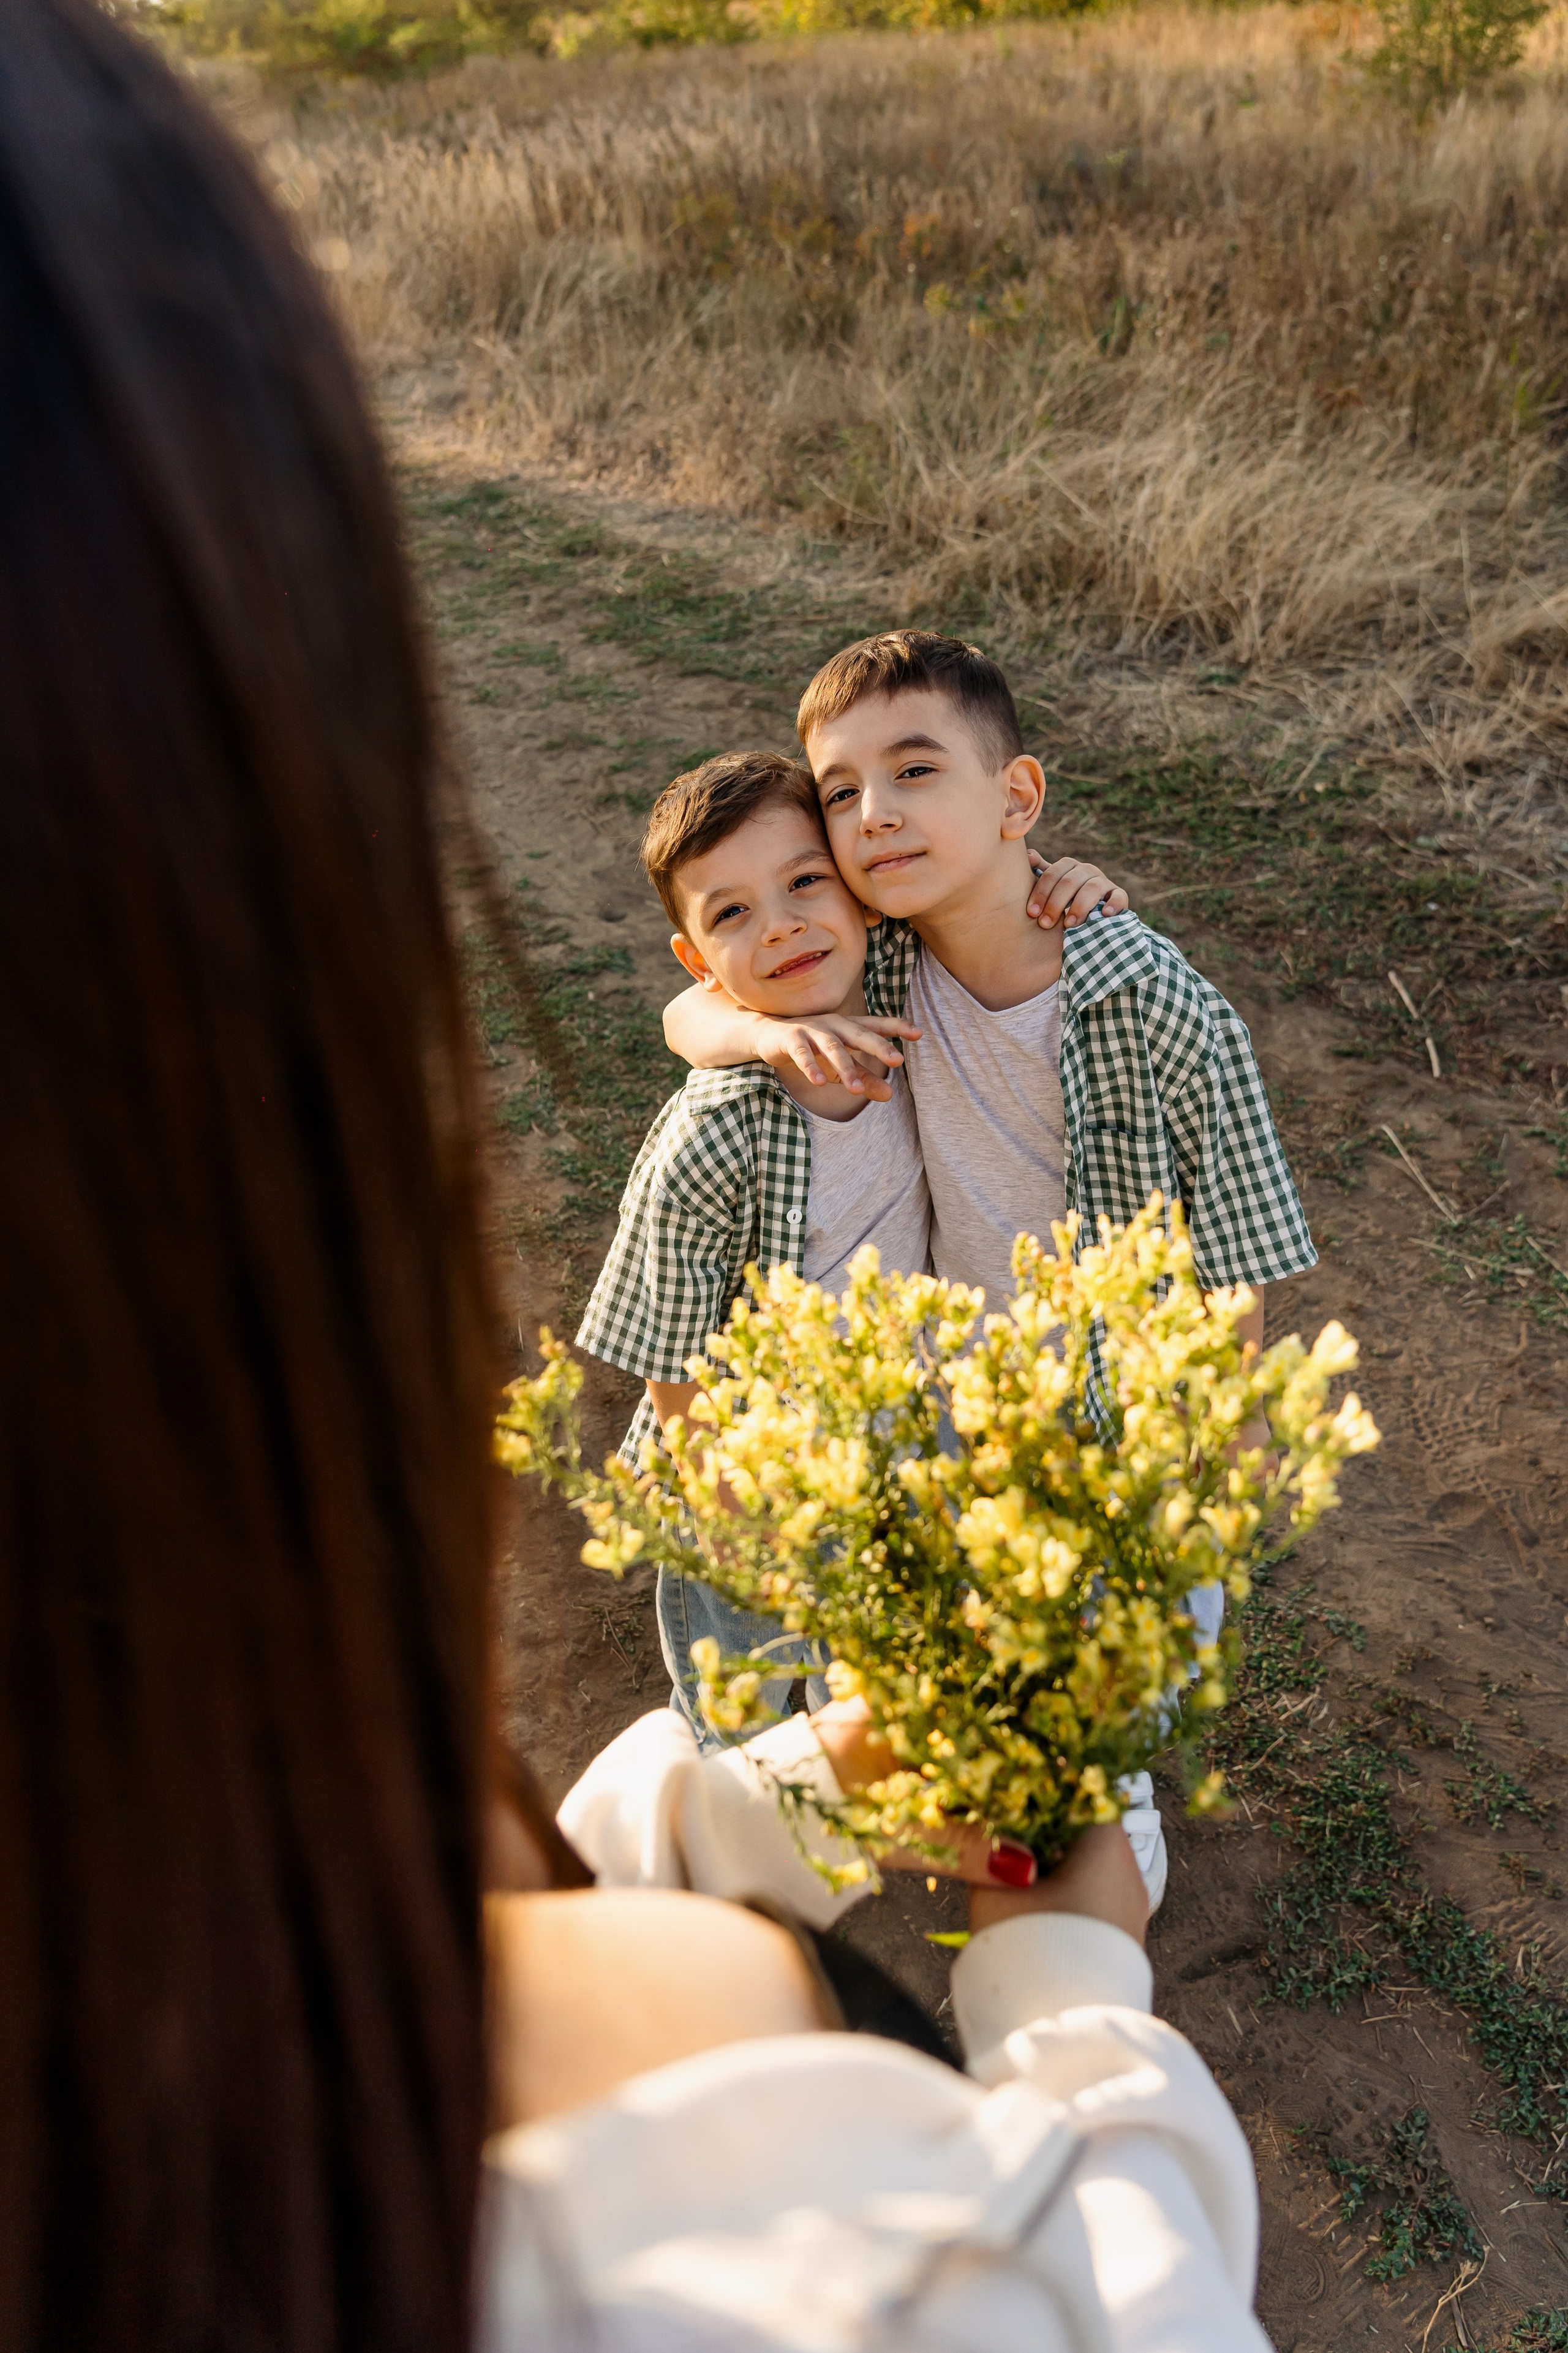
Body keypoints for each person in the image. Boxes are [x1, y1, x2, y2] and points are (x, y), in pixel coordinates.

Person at [0, 7, 1270, 2347]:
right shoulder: (740, 2252)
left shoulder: (1029, 984)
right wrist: (1074, 1984)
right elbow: (1131, 2306)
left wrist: (725, 1812)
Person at [665, 631, 1320, 1906]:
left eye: (913, 772)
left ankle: (1075, 1996)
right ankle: (745, 1856)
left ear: (1016, 798)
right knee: (933, 1746)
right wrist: (750, 1026)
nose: (874, 815)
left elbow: (1239, 1291)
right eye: (842, 792)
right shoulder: (873, 954)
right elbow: (686, 1013)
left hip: (1110, 1462)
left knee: (1064, 1779)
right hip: (943, 1442)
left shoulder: (1159, 1012)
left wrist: (1184, 1505)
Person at [576, 749, 1121, 1738]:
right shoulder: (716, 1133)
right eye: (732, 914)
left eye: (803, 883)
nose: (781, 924)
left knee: (873, 1666)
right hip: (749, 1458)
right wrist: (729, 1500)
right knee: (742, 1681)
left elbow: (989, 902)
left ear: (861, 897)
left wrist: (1062, 877)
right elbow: (670, 1345)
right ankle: (727, 1799)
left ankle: (854, 1780)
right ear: (700, 960)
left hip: (898, 1432)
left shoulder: (913, 994)